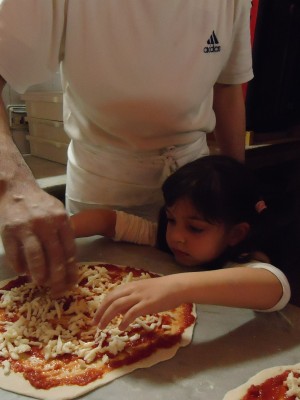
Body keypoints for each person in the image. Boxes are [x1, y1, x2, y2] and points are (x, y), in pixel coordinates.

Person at [0, 1, 253, 294]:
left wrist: (237, 194)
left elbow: (228, 88)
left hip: (195, 188)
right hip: (105, 184)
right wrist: (12, 185)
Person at [70, 155, 293, 330]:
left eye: (195, 228)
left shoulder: (241, 261)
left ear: (235, 234)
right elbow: (108, 221)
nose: (176, 235)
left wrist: (175, 287)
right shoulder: (165, 238)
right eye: (172, 219)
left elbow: (276, 286)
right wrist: (58, 232)